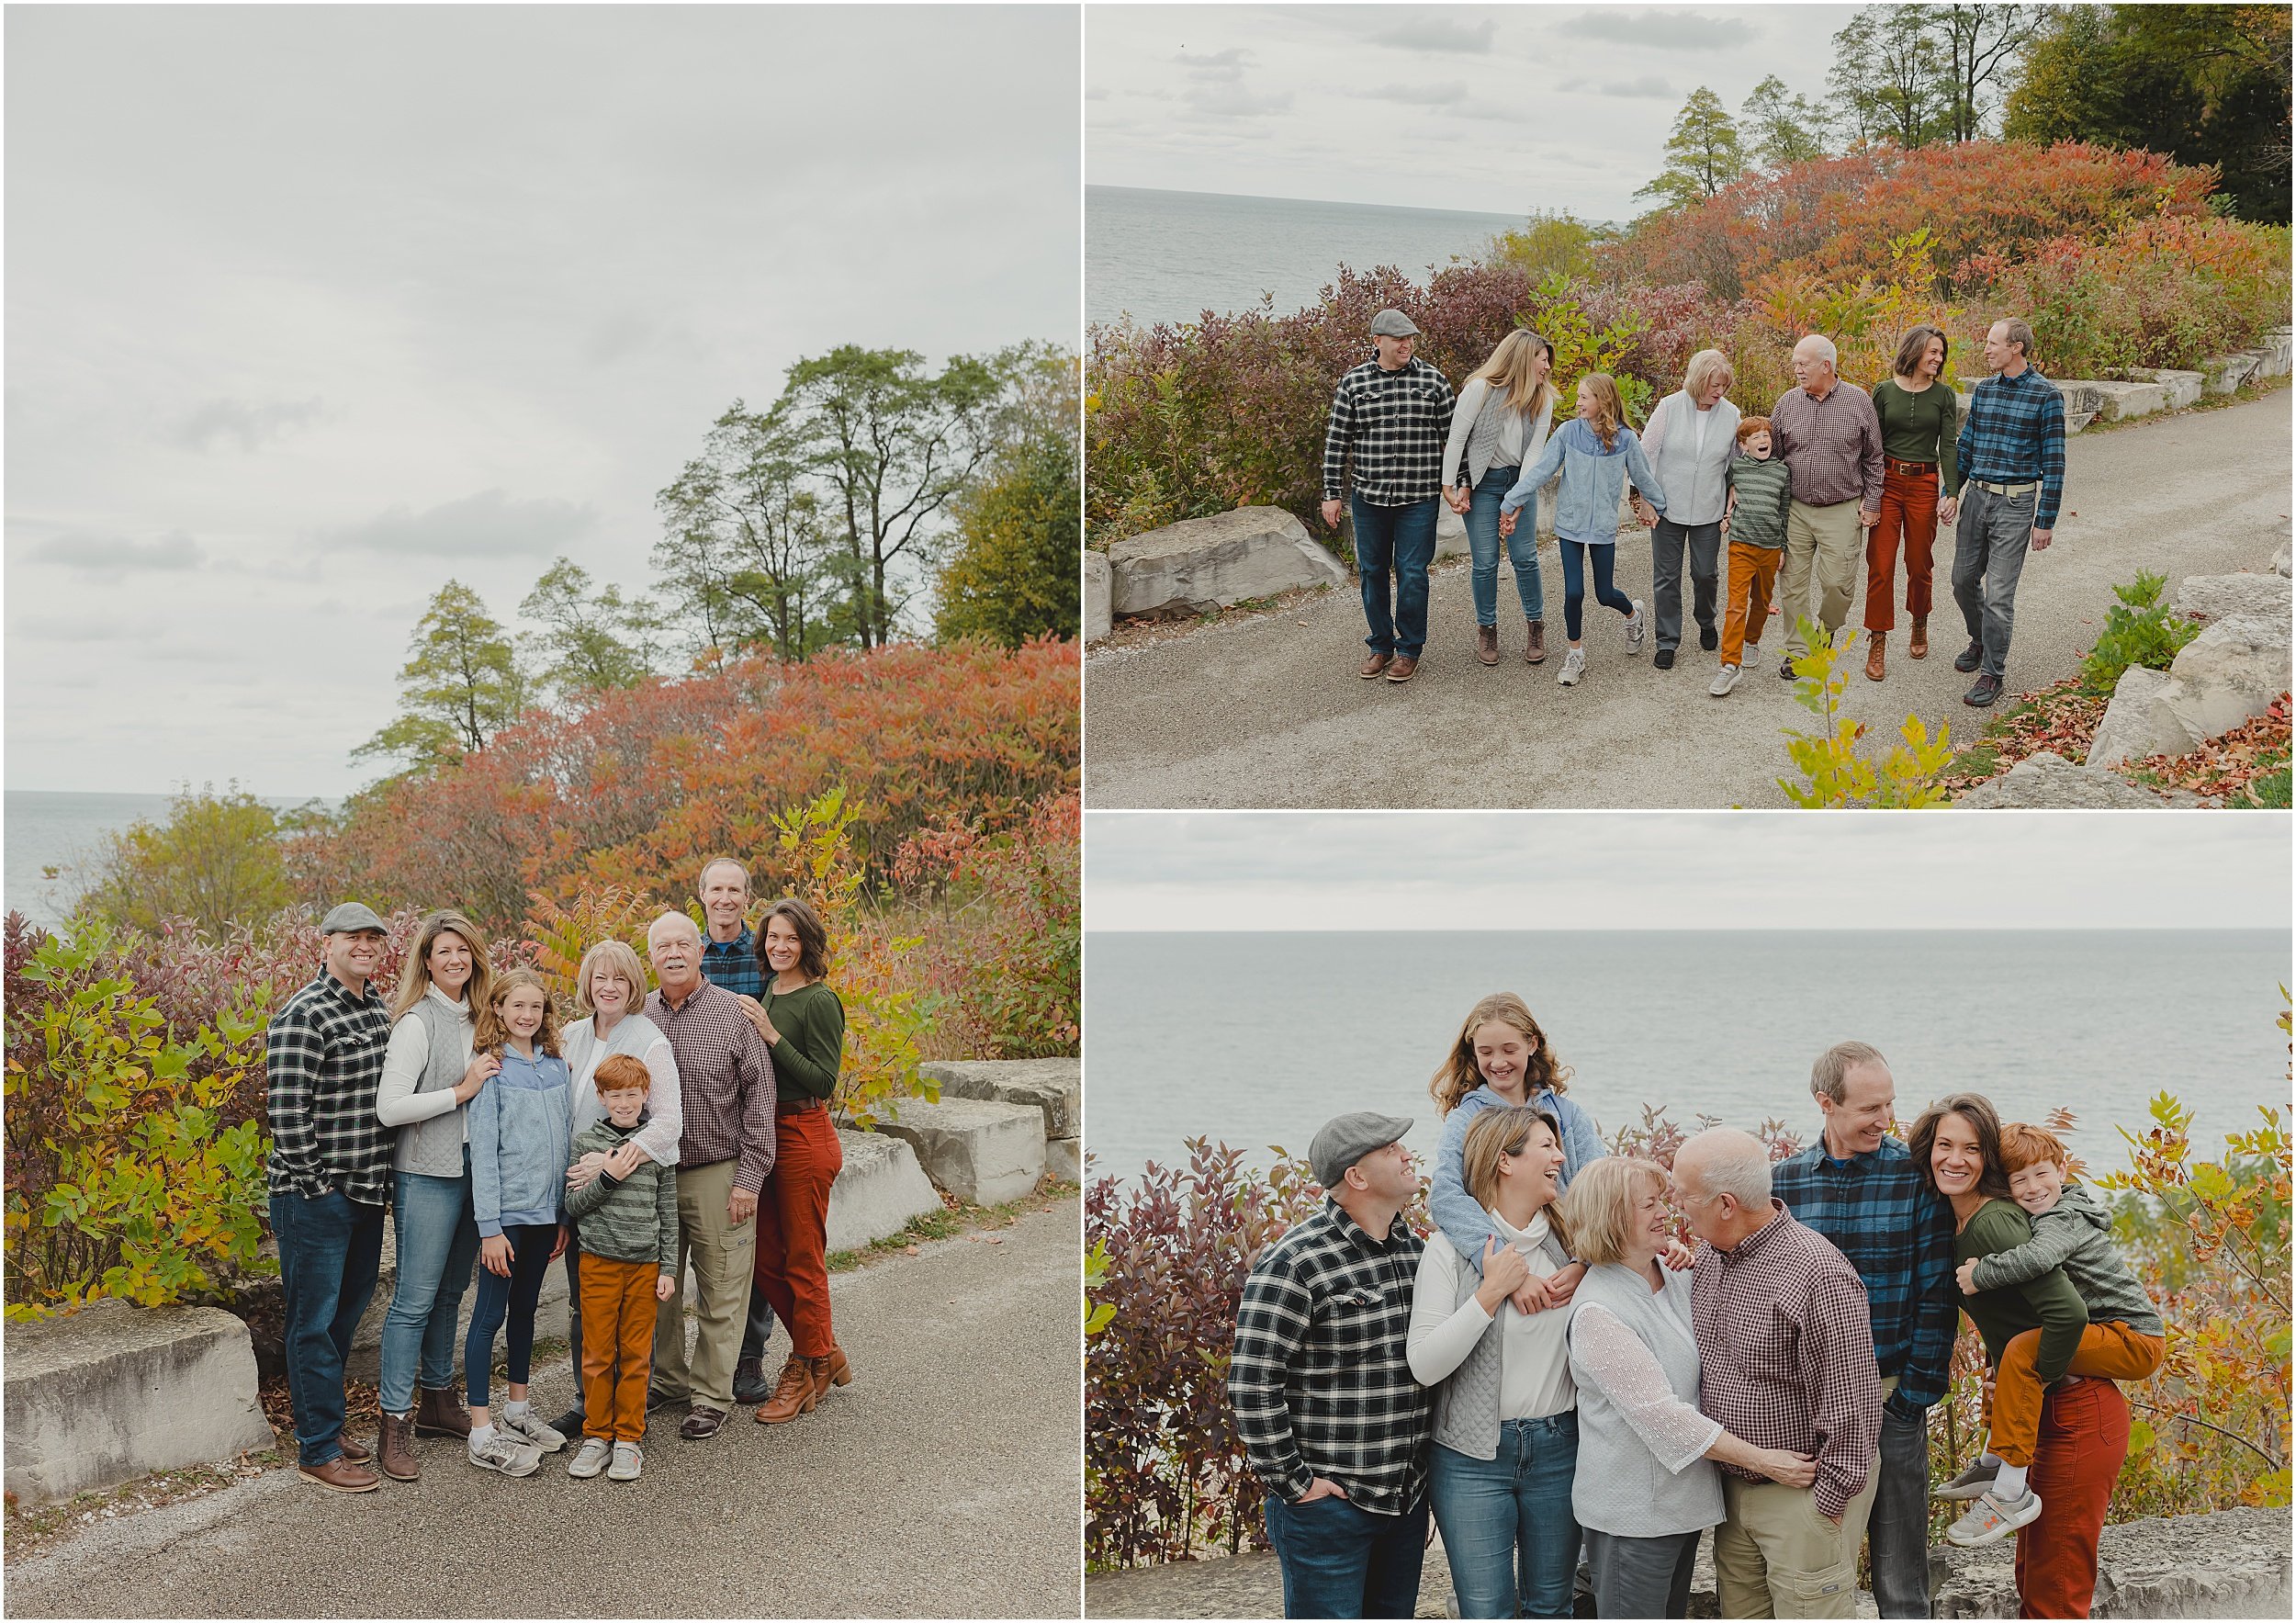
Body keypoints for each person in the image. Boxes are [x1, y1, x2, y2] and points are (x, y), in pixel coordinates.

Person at [1561, 1156, 1818, 1619]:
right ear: (1611, 1217)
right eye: (1648, 1204)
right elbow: (1665, 1418)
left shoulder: (1675, 1276)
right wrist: (1765, 1461)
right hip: (1633, 1515)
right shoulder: (1599, 1311)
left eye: (1662, 1200)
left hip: (1682, 1506)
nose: (1665, 1211)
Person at [1771, 1043, 1957, 1619]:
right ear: (1826, 1103)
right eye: (1869, 1109)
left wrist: (1911, 1400)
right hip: (1808, 1404)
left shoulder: (1914, 1177)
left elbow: (1937, 1292)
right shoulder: (1785, 1182)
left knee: (1902, 1579)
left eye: (1889, 1106)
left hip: (1889, 1393)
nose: (1885, 1120)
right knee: (1818, 1563)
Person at [1910, 1094, 2116, 1617]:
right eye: (1944, 1145)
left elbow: (2065, 1314)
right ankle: (1996, 1468)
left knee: (2057, 1579)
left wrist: (2040, 1382)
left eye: (1972, 1149)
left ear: (1988, 1162)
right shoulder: (1956, 1220)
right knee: (2037, 1567)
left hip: (2078, 1406)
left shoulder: (1994, 1224)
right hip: (2046, 1409)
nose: (1955, 1159)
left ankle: (2001, 1478)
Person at [1230, 1111, 1434, 1618]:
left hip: (1404, 1505)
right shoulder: (1295, 1262)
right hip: (1329, 1509)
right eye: (1390, 1149)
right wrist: (1297, 1486)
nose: (1407, 1154)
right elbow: (1253, 1384)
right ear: (1357, 1177)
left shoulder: (1418, 1253)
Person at [1677, 1127, 1882, 1619]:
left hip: (1802, 1495)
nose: (1675, 1207)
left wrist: (1825, 1502)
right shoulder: (1707, 1257)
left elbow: (1853, 1401)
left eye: (1683, 1197)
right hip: (1732, 1492)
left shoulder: (1817, 1273)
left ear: (1726, 1204)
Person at [1938, 1121, 2163, 1550]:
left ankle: (2010, 1492)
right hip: (2112, 1331)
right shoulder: (2040, 1214)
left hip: (2134, 1338)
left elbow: (2040, 1257)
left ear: (2062, 1170)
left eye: (2042, 1173)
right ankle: (1992, 1461)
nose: (2033, 1187)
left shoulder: (2063, 1217)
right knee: (2015, 1347)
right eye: (2018, 1179)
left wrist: (1981, 1274)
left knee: (2025, 1351)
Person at [1406, 1108, 1581, 1620]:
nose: (1561, 1157)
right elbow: (1424, 1365)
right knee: (1486, 1611)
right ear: (1504, 1161)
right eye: (1546, 1146)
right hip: (1471, 1458)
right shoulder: (1447, 1251)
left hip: (1561, 1448)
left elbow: (1643, 1252)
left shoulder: (1577, 1246)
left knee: (1553, 1605)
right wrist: (1489, 1295)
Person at [264, 902, 397, 1493]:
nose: (364, 946)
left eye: (373, 938)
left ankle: (329, 1422)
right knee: (312, 1322)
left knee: (344, 1316)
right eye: (352, 937)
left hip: (368, 1190)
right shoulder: (303, 1015)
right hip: (316, 1195)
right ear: (326, 945)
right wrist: (318, 1189)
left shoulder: (375, 1008)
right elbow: (286, 1117)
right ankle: (317, 1446)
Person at [370, 909, 500, 1482]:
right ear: (426, 961)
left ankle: (438, 1401)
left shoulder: (484, 1019)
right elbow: (389, 1107)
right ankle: (393, 1422)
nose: (455, 960)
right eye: (443, 951)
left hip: (477, 1171)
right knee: (414, 1300)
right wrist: (460, 1090)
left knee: (451, 1291)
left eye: (463, 951)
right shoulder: (416, 1024)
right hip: (426, 1172)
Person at [644, 911, 776, 1440]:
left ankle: (710, 1395)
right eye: (661, 947)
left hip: (718, 1172)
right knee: (659, 1289)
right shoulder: (639, 1016)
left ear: (700, 951)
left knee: (722, 1287)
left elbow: (760, 1104)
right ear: (650, 957)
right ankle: (670, 1380)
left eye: (682, 944)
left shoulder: (732, 1015)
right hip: (652, 1175)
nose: (673, 954)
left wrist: (749, 1179)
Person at [549, 940, 684, 1437]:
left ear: (633, 987)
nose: (609, 988)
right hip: (577, 1195)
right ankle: (589, 1408)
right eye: (599, 978)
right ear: (586, 983)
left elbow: (669, 1122)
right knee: (584, 1306)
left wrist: (611, 1164)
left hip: (622, 1197)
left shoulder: (648, 1038)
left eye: (620, 980)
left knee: (624, 1318)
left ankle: (624, 1418)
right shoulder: (571, 1035)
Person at [734, 897, 853, 1424]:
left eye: (790, 938)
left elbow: (824, 1080)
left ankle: (806, 1365)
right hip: (767, 1136)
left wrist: (770, 1035)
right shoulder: (771, 988)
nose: (779, 946)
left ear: (807, 943)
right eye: (772, 938)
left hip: (804, 1133)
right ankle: (824, 1347)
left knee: (804, 1260)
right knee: (764, 1258)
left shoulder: (818, 1000)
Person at [462, 967, 574, 1475]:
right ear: (499, 1011)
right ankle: (482, 1432)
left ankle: (517, 1410)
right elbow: (483, 1153)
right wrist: (488, 1227)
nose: (526, 1016)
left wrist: (563, 1216)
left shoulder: (557, 1067)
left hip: (545, 1215)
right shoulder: (491, 1070)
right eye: (517, 1007)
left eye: (536, 1008)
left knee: (526, 1309)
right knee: (489, 1316)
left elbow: (566, 1145)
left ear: (545, 1014)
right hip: (504, 1219)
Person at [1497, 374, 1666, 690]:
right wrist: (1511, 501)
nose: (1578, 403)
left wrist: (1661, 507)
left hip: (1602, 527)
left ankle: (1632, 614)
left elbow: (1643, 477)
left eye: (1584, 397)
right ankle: (1575, 654)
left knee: (1605, 594)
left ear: (1603, 400)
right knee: (1574, 591)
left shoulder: (1625, 439)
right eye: (1578, 396)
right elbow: (1542, 470)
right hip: (1570, 525)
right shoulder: (1567, 433)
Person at [1428, 993, 1604, 1288]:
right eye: (1486, 1052)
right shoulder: (1465, 1120)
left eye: (1509, 1049)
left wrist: (1584, 1264)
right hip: (1496, 1270)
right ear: (1473, 1052)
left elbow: (1601, 1191)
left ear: (1532, 1044)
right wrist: (1504, 1269)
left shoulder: (1568, 1115)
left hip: (1573, 1271)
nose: (1498, 1062)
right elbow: (1445, 1195)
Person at [1321, 307, 1457, 684]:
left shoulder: (1433, 381)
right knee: (1372, 572)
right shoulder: (1354, 383)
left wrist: (1459, 482)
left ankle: (1409, 649)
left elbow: (1453, 440)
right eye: (1398, 338)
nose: (1406, 344)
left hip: (1419, 498)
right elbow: (1337, 443)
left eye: (1410, 338)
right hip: (1369, 498)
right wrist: (1331, 493)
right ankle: (1380, 645)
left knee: (1412, 573)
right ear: (1377, 341)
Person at [561, 1054, 680, 1483]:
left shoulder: (657, 1144)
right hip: (597, 1262)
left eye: (633, 1094)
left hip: (645, 1265)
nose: (625, 1103)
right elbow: (573, 1205)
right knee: (597, 1352)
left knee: (635, 1354)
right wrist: (608, 1176)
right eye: (616, 1095)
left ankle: (628, 1438)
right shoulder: (585, 1142)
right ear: (602, 1097)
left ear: (646, 1095)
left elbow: (668, 1211)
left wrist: (668, 1268)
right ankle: (596, 1435)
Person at [1946, 318, 2066, 708]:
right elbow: (1966, 447)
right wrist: (1951, 492)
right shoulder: (1984, 391)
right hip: (1977, 499)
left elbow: (2055, 463)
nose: (1986, 349)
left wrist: (2044, 521)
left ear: (2016, 347)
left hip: (2015, 506)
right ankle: (1980, 639)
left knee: (1999, 594)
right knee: (1962, 580)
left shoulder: (2046, 396)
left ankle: (1992, 674)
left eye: (1993, 343)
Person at [1768, 334, 1883, 679]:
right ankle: (1799, 653)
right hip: (1796, 508)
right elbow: (1772, 458)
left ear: (1826, 366)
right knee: (1792, 585)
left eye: (1803, 363)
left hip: (1842, 507)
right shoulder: (1787, 403)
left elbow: (1875, 458)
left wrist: (1872, 501)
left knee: (1838, 584)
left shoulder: (1858, 401)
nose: (1797, 369)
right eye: (1795, 363)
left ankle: (1826, 632)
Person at [1441, 329, 1558, 666]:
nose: (1547, 366)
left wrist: (1518, 500)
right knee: (1486, 562)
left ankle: (1536, 626)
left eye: (1548, 360)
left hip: (1520, 480)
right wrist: (1449, 485)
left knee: (1525, 558)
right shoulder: (1480, 389)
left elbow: (1535, 451)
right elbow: (1457, 438)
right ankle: (1487, 629)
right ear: (1523, 358)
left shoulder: (1542, 398)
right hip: (1483, 484)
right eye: (1543, 358)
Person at [1862, 325, 1960, 682]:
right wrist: (1867, 491)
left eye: (1941, 354)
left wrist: (1952, 491)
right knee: (1881, 565)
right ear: (1916, 351)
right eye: (1933, 351)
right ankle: (1878, 638)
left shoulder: (1944, 396)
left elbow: (1948, 445)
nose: (1938, 358)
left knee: (1919, 563)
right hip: (1887, 484)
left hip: (1924, 484)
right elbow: (1871, 446)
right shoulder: (1884, 392)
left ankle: (1919, 619)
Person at [1632, 349, 1740, 671]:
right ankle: (1667, 641)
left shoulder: (1731, 414)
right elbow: (1644, 455)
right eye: (1713, 385)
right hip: (1668, 507)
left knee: (1705, 573)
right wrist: (1646, 499)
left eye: (1723, 385)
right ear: (1697, 380)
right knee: (1666, 577)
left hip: (1709, 508)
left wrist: (1734, 497)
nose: (1718, 392)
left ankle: (1706, 621)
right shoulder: (1669, 407)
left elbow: (1736, 464)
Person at [1709, 416, 1793, 697]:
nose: (1763, 441)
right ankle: (1729, 664)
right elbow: (1726, 495)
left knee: (1762, 601)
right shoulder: (1736, 468)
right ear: (1743, 445)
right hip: (1741, 544)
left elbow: (1784, 512)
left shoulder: (1782, 471)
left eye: (1766, 435)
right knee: (1736, 604)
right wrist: (1725, 516)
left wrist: (1783, 546)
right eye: (1755, 437)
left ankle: (1752, 640)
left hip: (1770, 547)